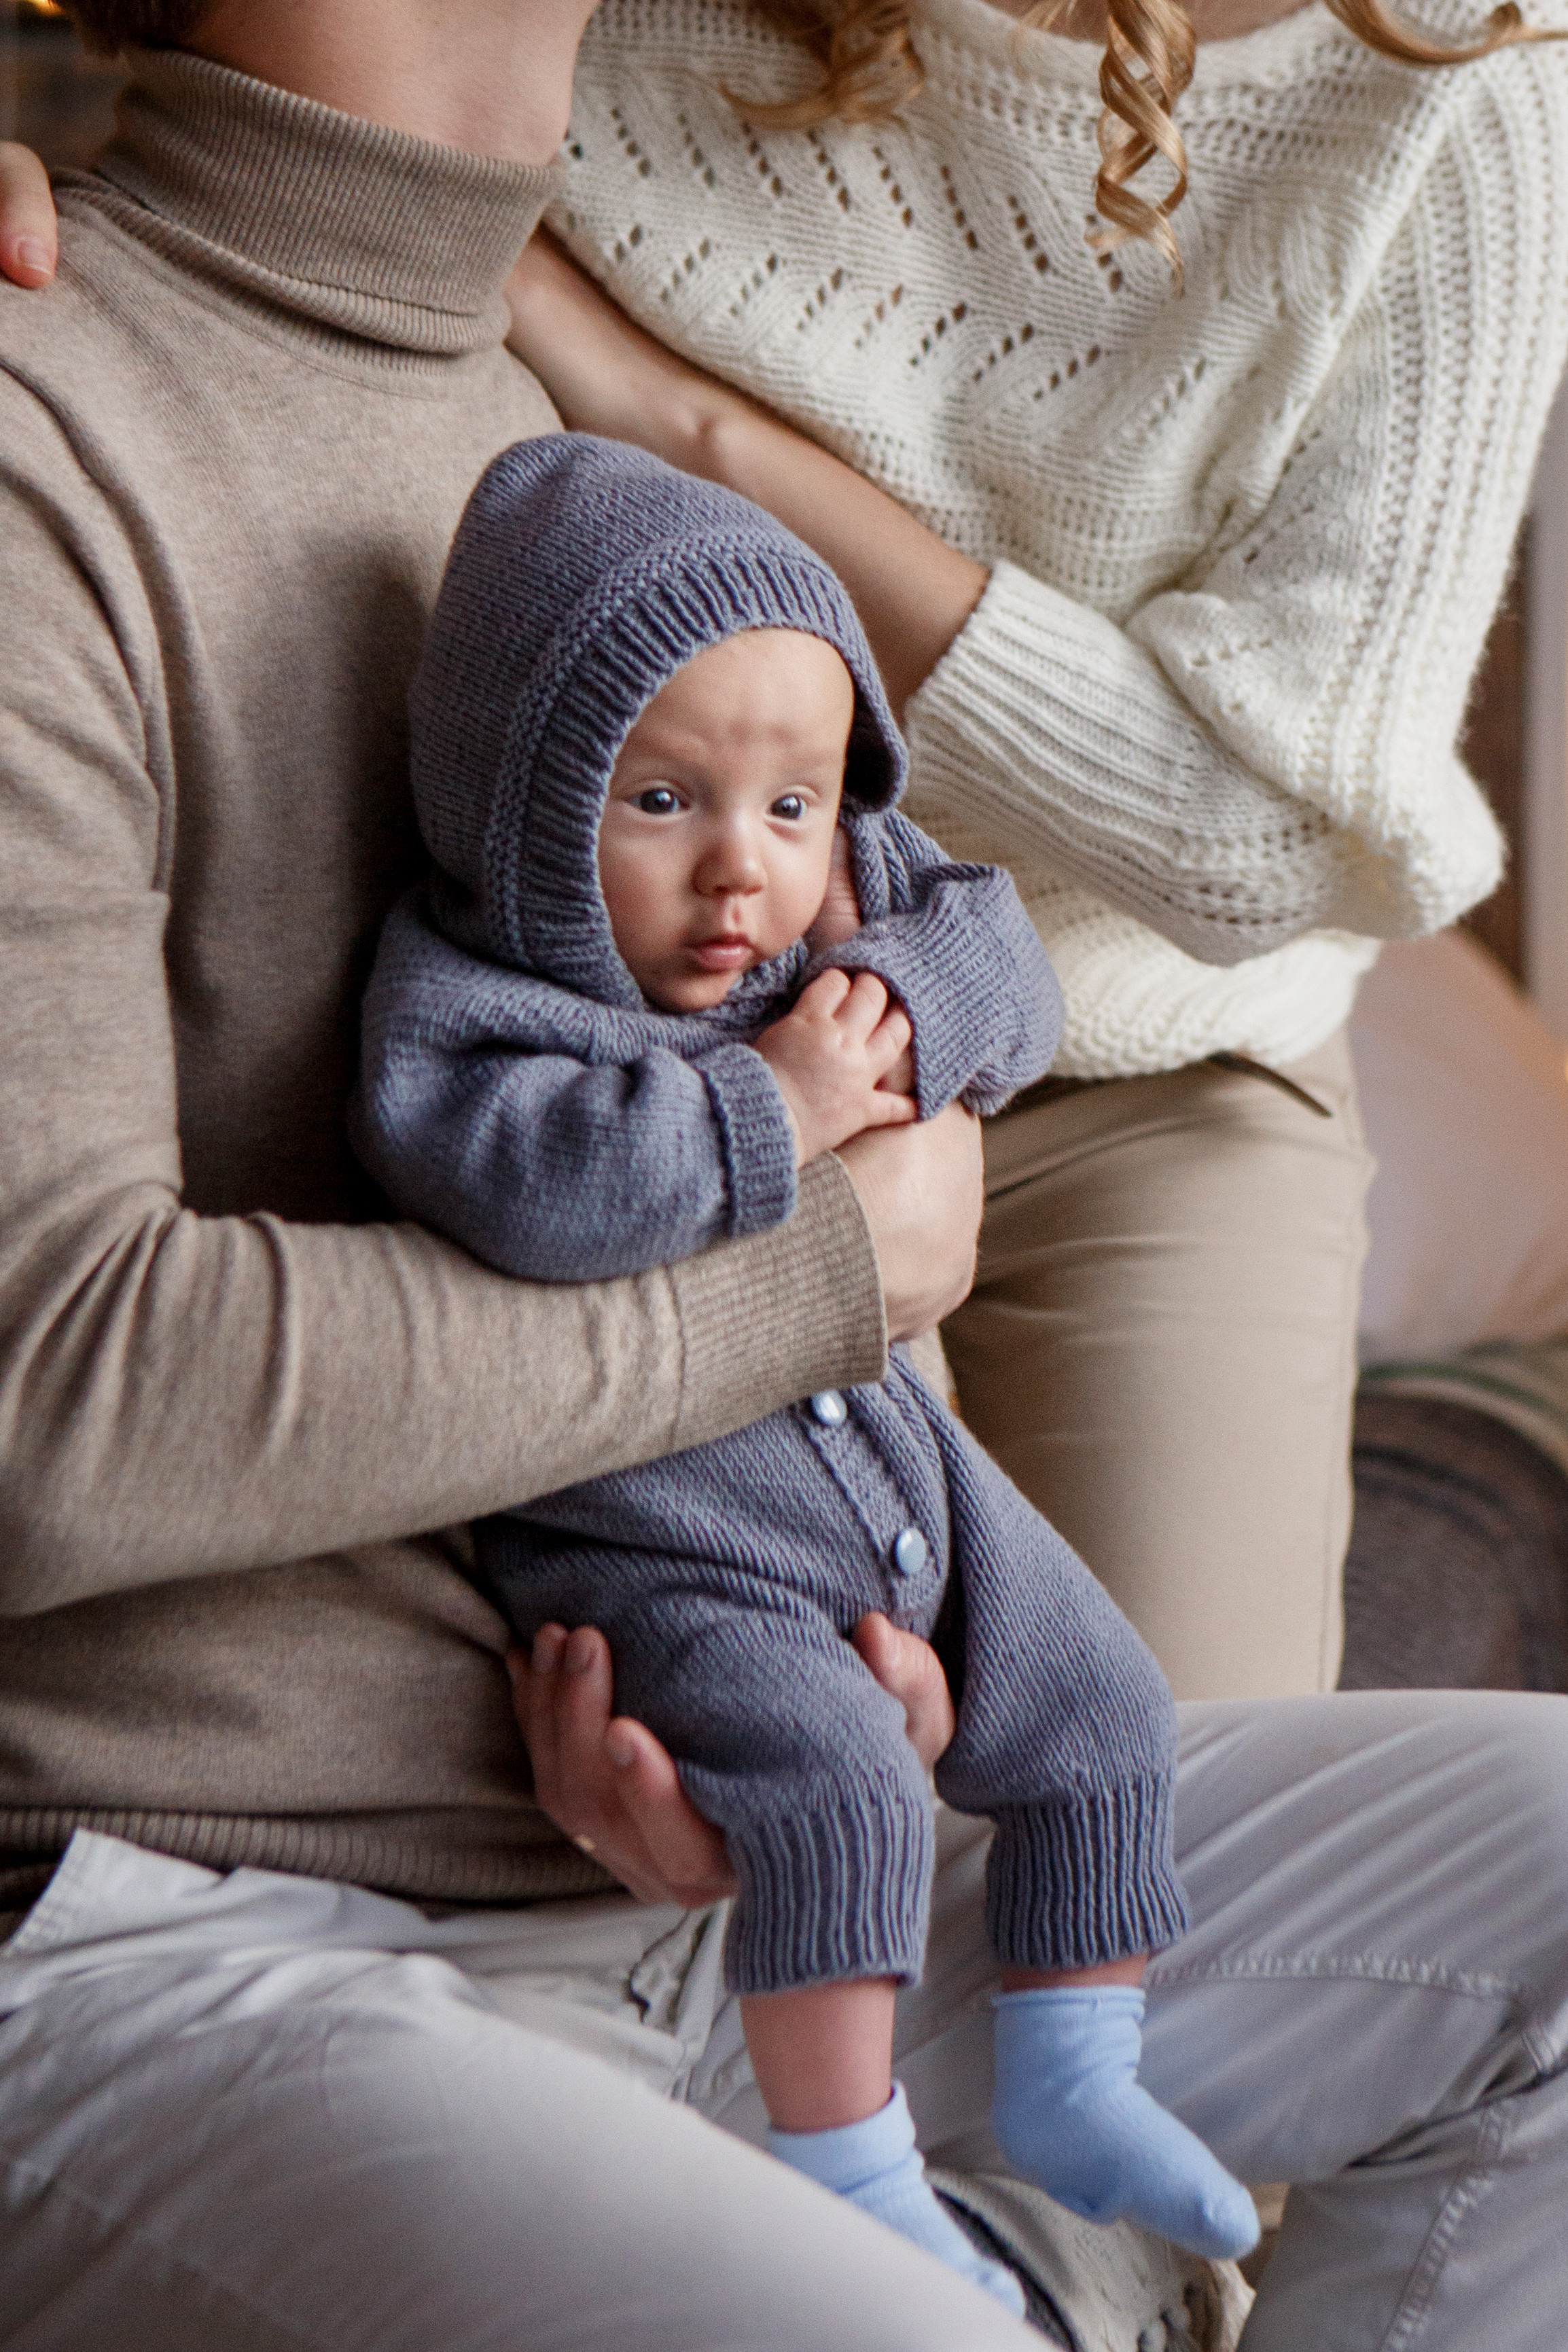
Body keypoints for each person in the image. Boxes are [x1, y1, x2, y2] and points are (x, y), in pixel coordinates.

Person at [1, 8, 1568, 2349]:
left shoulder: (586, 453)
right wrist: (829, 1274)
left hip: (683, 1842)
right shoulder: (53, 422)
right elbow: (55, 1408)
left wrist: (845, 1645)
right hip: (196, 1908)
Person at [457, 0, 1568, 1703]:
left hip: (1147, 1073)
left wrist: (692, 428)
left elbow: (1240, 843)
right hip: (641, 1059)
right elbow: (252, 146)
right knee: (743, 1796)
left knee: (1186, 1840)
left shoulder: (1463, 79)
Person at [353, 427, 1259, 2298]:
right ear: (522, 800)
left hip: (903, 1475)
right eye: (663, 799)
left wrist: (915, 1009)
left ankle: (1079, 2067)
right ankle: (847, 2162)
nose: (739, 875)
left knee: (1104, 1701)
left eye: (792, 804)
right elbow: (531, 1190)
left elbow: (1003, 953)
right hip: (673, 1548)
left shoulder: (839, 898)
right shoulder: (470, 1006)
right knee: (840, 1786)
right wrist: (776, 1104)